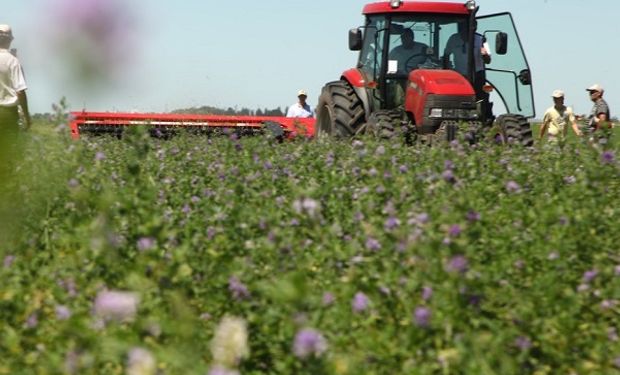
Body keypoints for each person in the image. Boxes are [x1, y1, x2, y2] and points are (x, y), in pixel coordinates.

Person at [444, 21, 491, 101]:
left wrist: (484, 54)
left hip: (477, 76)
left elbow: (488, 60)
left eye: (473, 27)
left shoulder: (481, 39)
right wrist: (447, 71)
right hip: (459, 76)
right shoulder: (454, 39)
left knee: (481, 99)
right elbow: (446, 55)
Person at [0, 24, 31, 135]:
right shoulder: (13, 61)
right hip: (7, 114)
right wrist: (27, 117)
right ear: (10, 40)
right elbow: (20, 91)